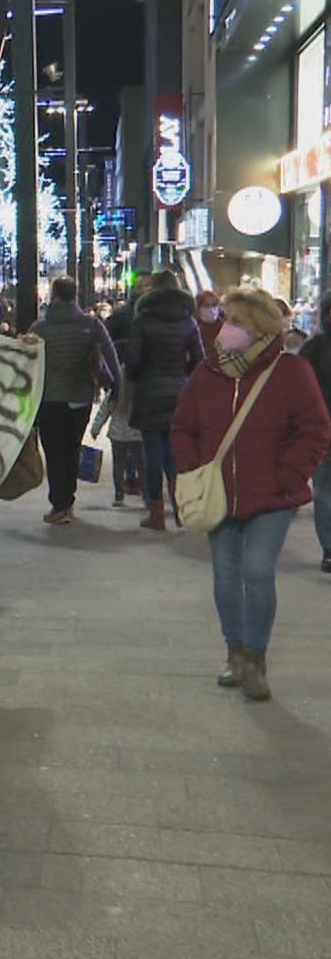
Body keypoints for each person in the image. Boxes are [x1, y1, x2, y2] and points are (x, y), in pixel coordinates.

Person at [171, 288, 331, 701]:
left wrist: (288, 474)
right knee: (226, 575)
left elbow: (315, 428)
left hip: (272, 497)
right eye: (226, 320)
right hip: (219, 494)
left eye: (237, 322)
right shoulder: (208, 373)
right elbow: (183, 426)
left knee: (257, 571)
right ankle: (235, 651)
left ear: (261, 326)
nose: (227, 329)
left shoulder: (291, 373)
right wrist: (194, 467)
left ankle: (256, 658)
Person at [30, 276, 120, 525]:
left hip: (49, 398)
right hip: (80, 397)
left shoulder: (40, 328)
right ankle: (67, 502)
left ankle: (59, 503)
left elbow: (26, 362)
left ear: (53, 295)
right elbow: (110, 356)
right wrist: (117, 387)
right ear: (75, 295)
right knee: (71, 449)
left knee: (54, 451)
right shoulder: (90, 324)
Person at [125, 270, 206, 530]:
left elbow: (133, 362)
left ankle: (156, 511)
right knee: (175, 453)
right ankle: (180, 508)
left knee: (152, 455)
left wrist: (140, 376)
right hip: (179, 393)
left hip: (150, 392)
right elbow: (199, 360)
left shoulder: (143, 320)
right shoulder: (188, 321)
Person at [299, 293, 331, 573]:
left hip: (322, 427)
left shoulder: (313, 347)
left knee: (324, 490)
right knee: (324, 489)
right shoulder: (314, 347)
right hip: (323, 429)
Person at [90, 384, 143, 508]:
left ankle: (119, 495)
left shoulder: (114, 392)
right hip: (137, 434)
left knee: (118, 467)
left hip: (117, 434)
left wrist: (95, 428)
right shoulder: (140, 390)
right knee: (142, 467)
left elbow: (104, 411)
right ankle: (147, 495)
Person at [194, 289, 224, 357]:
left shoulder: (225, 327)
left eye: (214, 305)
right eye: (206, 305)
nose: (211, 309)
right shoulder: (194, 330)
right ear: (199, 308)